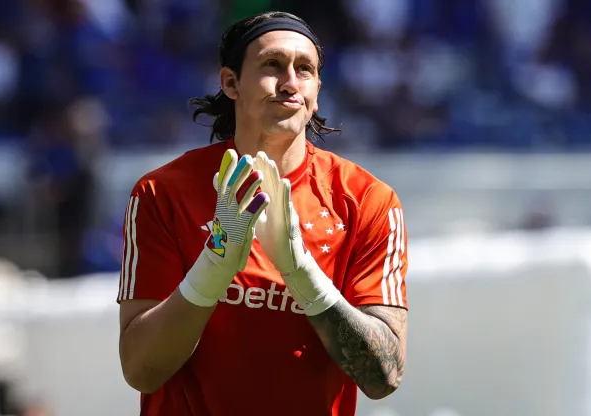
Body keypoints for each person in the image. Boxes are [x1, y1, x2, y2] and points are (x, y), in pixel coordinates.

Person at [117, 11, 408, 416]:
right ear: (230, 82)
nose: (290, 82)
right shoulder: (162, 193)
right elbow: (140, 369)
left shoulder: (368, 201)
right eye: (272, 65)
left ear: (317, 90)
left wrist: (302, 273)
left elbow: (385, 375)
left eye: (304, 70)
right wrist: (213, 268)